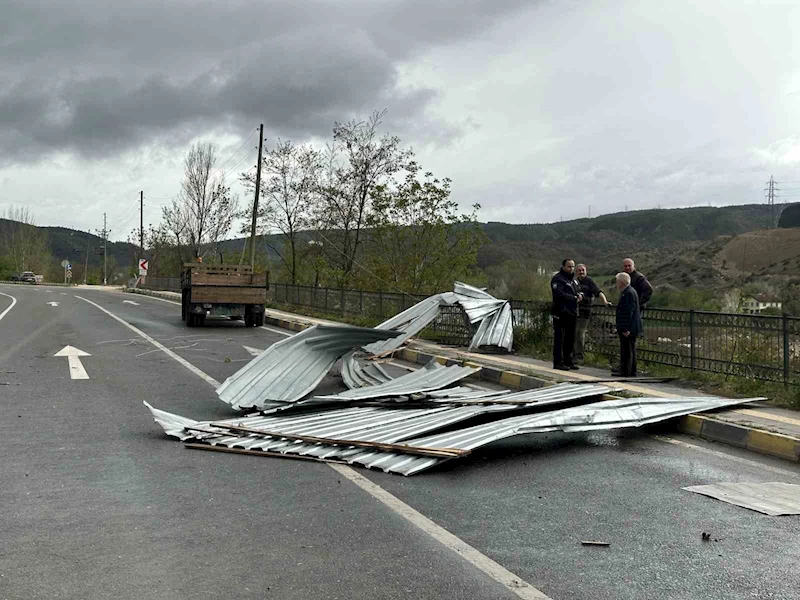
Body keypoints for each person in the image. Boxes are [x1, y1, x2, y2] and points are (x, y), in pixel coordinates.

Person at [574, 264, 609, 365]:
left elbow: (598, 292)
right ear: (576, 272)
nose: (581, 272)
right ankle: (572, 355)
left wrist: (605, 302)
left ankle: (579, 356)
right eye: (579, 270)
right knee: (573, 333)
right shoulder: (575, 282)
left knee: (579, 333)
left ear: (586, 271)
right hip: (574, 311)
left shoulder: (589, 281)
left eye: (583, 270)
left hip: (585, 311)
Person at [550, 258, 582, 371]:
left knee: (570, 338)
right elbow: (559, 294)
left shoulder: (574, 280)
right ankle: (558, 362)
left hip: (572, 313)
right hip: (561, 312)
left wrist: (580, 295)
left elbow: (578, 289)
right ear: (563, 266)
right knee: (560, 338)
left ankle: (569, 360)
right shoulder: (558, 279)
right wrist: (573, 298)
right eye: (569, 266)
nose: (571, 269)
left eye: (573, 266)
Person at [614, 272, 642, 377]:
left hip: (629, 328)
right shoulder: (628, 292)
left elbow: (628, 312)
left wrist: (626, 328)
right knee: (627, 349)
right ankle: (626, 369)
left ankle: (627, 371)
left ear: (621, 282)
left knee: (628, 349)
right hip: (629, 326)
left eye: (617, 282)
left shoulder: (629, 293)